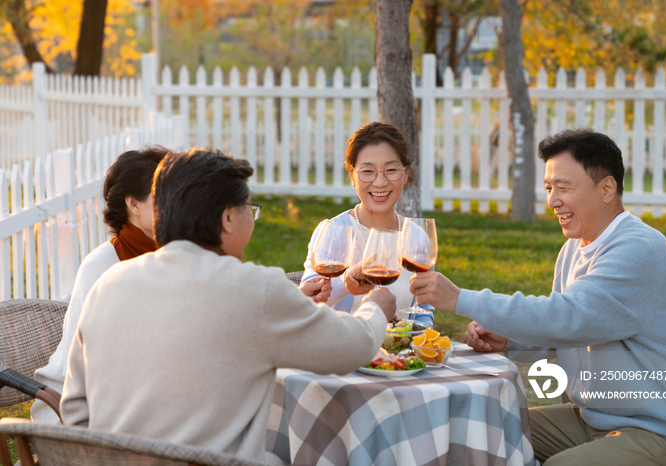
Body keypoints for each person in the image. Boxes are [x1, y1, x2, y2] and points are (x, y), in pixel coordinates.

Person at [60, 148, 396, 463]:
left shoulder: (108, 284)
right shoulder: (254, 288)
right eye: (249, 209)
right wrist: (375, 306)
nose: (252, 219)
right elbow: (353, 346)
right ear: (228, 219)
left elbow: (74, 407)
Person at [410, 129, 666, 466]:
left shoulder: (638, 248)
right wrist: (511, 340)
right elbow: (575, 334)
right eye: (549, 188)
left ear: (606, 189)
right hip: (595, 417)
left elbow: (569, 316)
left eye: (563, 187)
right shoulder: (573, 250)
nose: (552, 200)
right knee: (481, 431)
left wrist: (460, 298)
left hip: (663, 430)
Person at [31, 146, 168, 423]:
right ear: (134, 203)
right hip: (81, 406)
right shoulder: (103, 266)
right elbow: (85, 364)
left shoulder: (175, 252)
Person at [302, 121, 434, 323]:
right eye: (367, 171)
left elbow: (423, 314)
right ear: (352, 176)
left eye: (391, 170)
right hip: (344, 350)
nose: (380, 182)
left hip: (400, 354)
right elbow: (306, 308)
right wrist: (346, 284)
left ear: (405, 174)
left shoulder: (417, 237)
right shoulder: (332, 232)